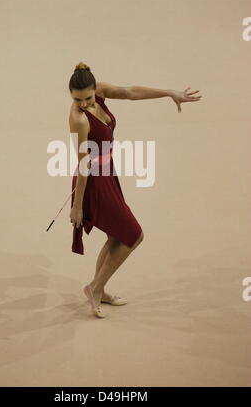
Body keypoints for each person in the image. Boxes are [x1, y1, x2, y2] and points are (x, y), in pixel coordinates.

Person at [69, 62, 202, 318]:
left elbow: (130, 92)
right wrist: (77, 206)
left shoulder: (102, 91)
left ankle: (99, 288)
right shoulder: (78, 119)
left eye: (87, 98)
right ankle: (94, 288)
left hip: (108, 174)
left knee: (116, 237)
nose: (83, 104)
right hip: (94, 181)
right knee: (134, 235)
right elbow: (83, 163)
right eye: (77, 99)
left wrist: (169, 92)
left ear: (95, 89)